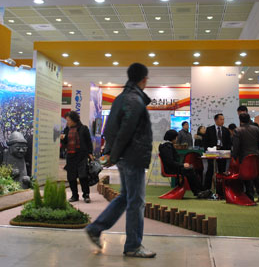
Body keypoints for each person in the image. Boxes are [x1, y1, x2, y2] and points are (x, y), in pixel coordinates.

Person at [85, 63, 156, 258]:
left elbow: (109, 129)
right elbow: (125, 132)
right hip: (132, 157)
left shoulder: (121, 98)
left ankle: (96, 228)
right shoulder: (135, 100)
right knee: (136, 201)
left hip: (126, 157)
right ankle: (133, 245)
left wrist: (111, 153)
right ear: (143, 79)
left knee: (126, 197)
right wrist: (113, 155)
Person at [159, 129, 212, 199]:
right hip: (170, 169)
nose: (177, 139)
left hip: (172, 167)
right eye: (176, 137)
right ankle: (199, 191)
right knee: (189, 170)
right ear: (173, 138)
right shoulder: (167, 147)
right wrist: (182, 165)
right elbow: (170, 162)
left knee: (190, 168)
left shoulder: (166, 146)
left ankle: (199, 191)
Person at [233, 113, 259, 202]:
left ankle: (250, 195)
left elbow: (236, 146)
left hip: (244, 157)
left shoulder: (238, 130)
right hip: (256, 156)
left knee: (246, 176)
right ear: (249, 119)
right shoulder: (256, 129)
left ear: (240, 120)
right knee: (257, 175)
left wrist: (234, 157)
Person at [62, 111, 94, 203]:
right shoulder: (66, 130)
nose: (67, 122)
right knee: (71, 177)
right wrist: (63, 139)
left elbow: (88, 142)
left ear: (74, 120)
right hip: (71, 156)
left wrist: (90, 153)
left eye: (68, 120)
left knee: (83, 176)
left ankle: (86, 195)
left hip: (81, 156)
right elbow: (65, 144)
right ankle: (74, 195)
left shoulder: (83, 129)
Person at [202, 113, 232, 190]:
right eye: (221, 119)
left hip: (223, 153)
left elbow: (229, 142)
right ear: (215, 120)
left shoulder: (226, 130)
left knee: (222, 171)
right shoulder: (209, 129)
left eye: (223, 119)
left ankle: (221, 190)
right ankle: (207, 189)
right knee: (210, 170)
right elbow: (205, 142)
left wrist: (227, 151)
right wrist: (207, 151)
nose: (222, 121)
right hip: (211, 152)